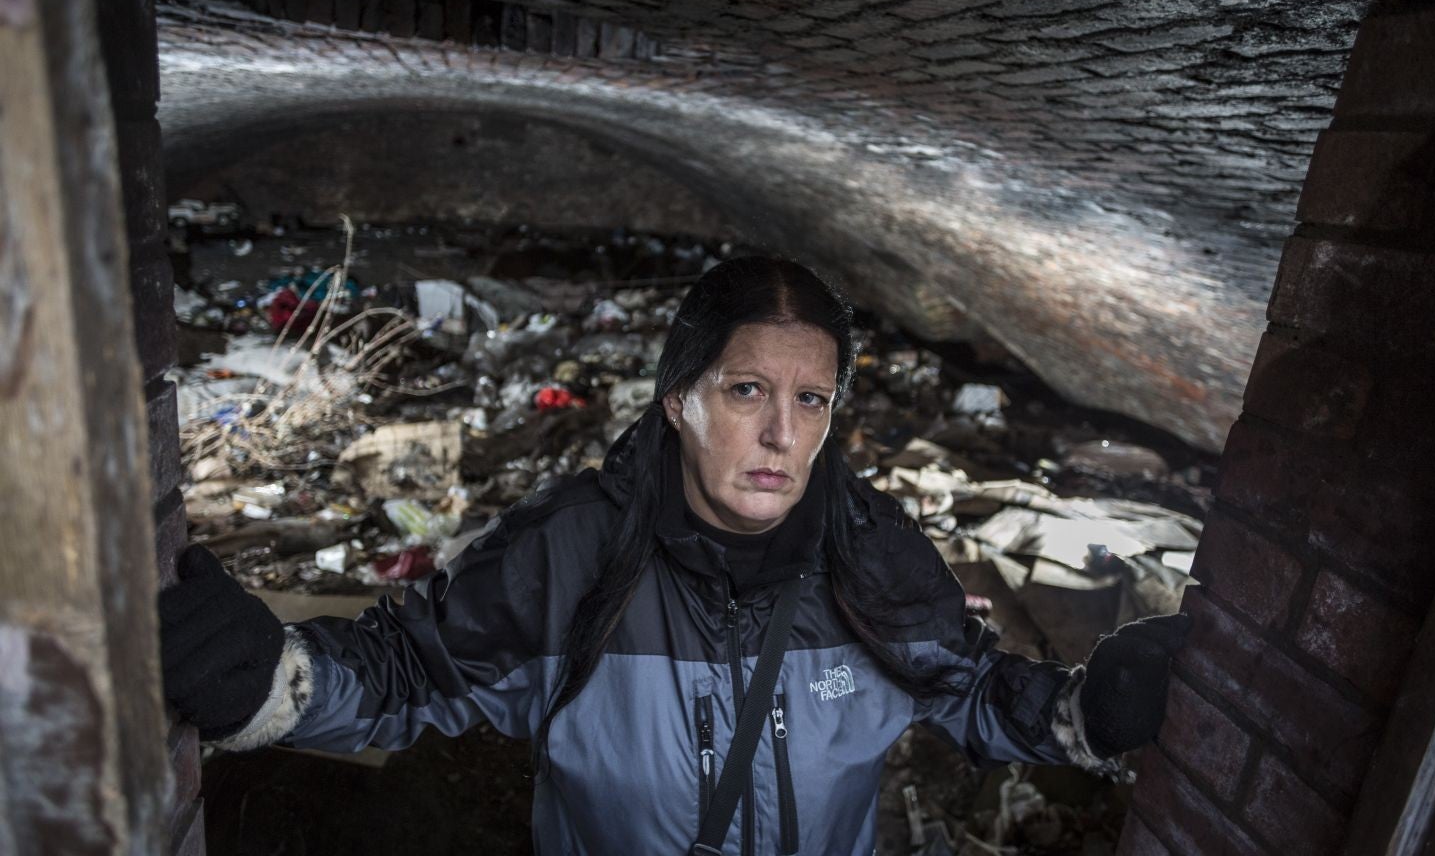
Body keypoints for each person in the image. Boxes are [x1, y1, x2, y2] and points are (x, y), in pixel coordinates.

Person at [159, 256, 1188, 856]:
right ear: (679, 401)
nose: (782, 434)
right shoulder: (575, 553)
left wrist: (1084, 711)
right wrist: (277, 686)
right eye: (748, 392)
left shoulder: (873, 558)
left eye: (811, 399)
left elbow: (969, 694)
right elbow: (411, 672)